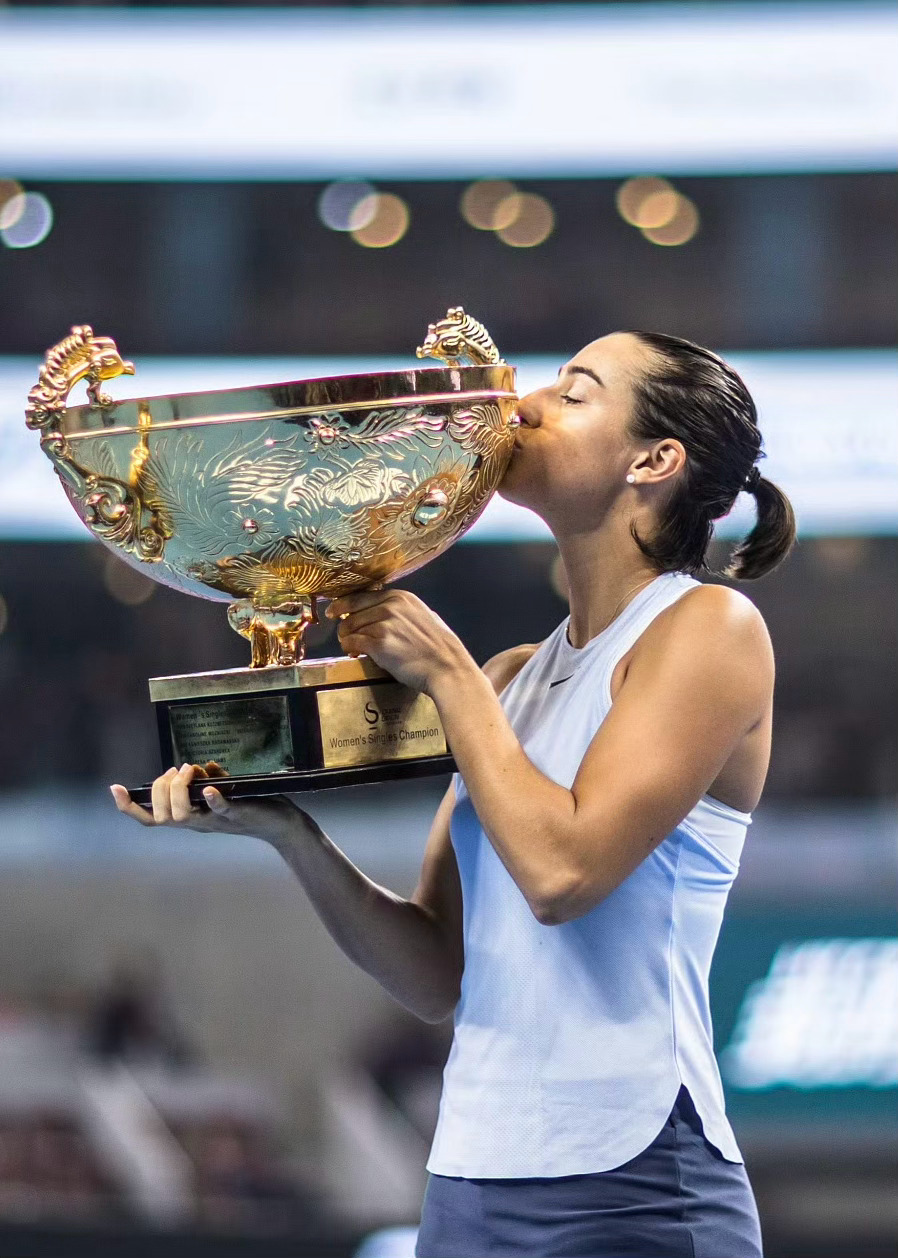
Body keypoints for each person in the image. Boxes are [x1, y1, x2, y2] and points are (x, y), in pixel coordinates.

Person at [111, 331, 795, 1257]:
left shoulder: (710, 628)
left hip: (636, 1183)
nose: (524, 407)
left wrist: (448, 675)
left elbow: (562, 875)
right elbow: (434, 972)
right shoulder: (511, 676)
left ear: (653, 461)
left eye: (575, 393)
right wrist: (289, 834)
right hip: (470, 1177)